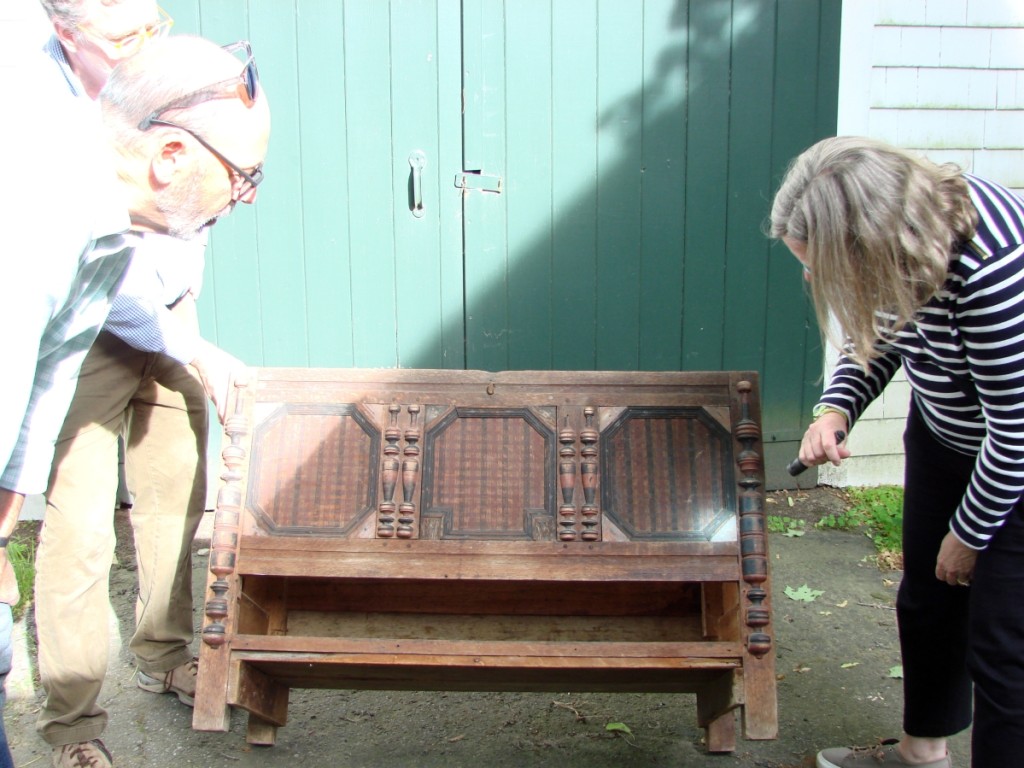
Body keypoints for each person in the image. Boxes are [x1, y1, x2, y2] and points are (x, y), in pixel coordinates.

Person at [8, 33, 271, 768]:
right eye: (243, 178)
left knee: (173, 507)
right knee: (80, 531)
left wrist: (189, 337)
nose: (245, 196)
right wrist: (194, 348)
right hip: (97, 338)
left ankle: (163, 654)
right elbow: (105, 284)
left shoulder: (188, 105)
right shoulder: (72, 156)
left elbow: (189, 234)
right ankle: (72, 722)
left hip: (170, 331)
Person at [770, 136, 1024, 768]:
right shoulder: (897, 244)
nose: (810, 279)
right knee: (927, 597)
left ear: (872, 244)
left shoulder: (993, 268)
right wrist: (836, 407)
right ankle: (922, 753)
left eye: (817, 266)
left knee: (1004, 644)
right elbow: (877, 334)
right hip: (946, 432)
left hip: (1013, 456)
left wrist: (968, 534)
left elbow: (1017, 433)